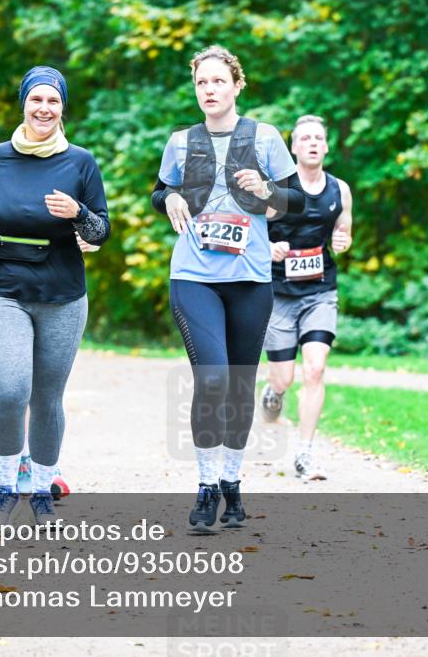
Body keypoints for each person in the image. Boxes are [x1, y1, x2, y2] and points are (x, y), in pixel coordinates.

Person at [151, 45, 305, 531]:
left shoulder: (264, 138)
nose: (209, 90)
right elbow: (158, 192)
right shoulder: (181, 141)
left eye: (218, 81)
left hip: (252, 278)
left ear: (237, 86)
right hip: (193, 276)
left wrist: (266, 192)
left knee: (239, 384)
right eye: (201, 83)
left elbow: (295, 202)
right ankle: (204, 487)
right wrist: (171, 197)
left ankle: (232, 482)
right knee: (212, 378)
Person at [0, 66, 109, 526]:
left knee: (47, 397)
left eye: (53, 101)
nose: (44, 109)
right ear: (23, 103)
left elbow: (101, 230)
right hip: (3, 289)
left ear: (62, 107)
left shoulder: (80, 162)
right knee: (10, 389)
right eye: (36, 100)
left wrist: (78, 211)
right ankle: (6, 485)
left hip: (63, 295)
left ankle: (42, 490)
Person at [259, 115, 353, 481]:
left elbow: (343, 234)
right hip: (278, 293)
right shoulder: (276, 190)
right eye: (305, 138)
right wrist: (269, 248)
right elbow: (250, 237)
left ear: (326, 146)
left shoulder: (340, 190)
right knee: (284, 378)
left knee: (315, 369)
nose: (313, 143)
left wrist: (343, 242)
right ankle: (273, 393)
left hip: (320, 291)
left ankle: (305, 454)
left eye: (319, 138)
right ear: (294, 147)